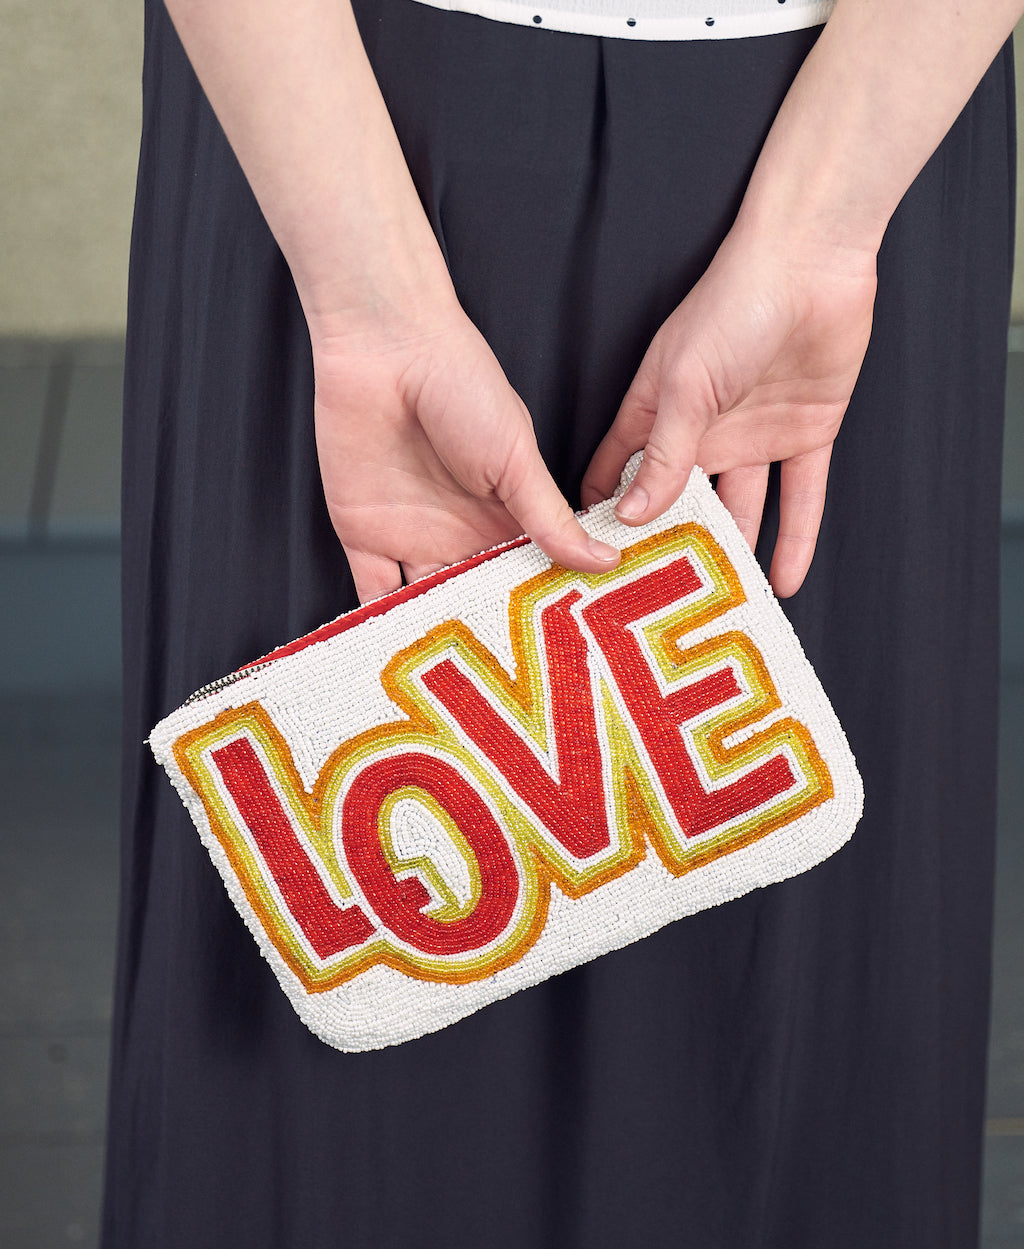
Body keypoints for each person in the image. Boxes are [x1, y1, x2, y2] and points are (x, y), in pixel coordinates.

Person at [102, 1, 1021, 1245]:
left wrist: (823, 225)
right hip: (350, 127)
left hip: (845, 126)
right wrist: (367, 299)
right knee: (324, 972)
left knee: (782, 1006)